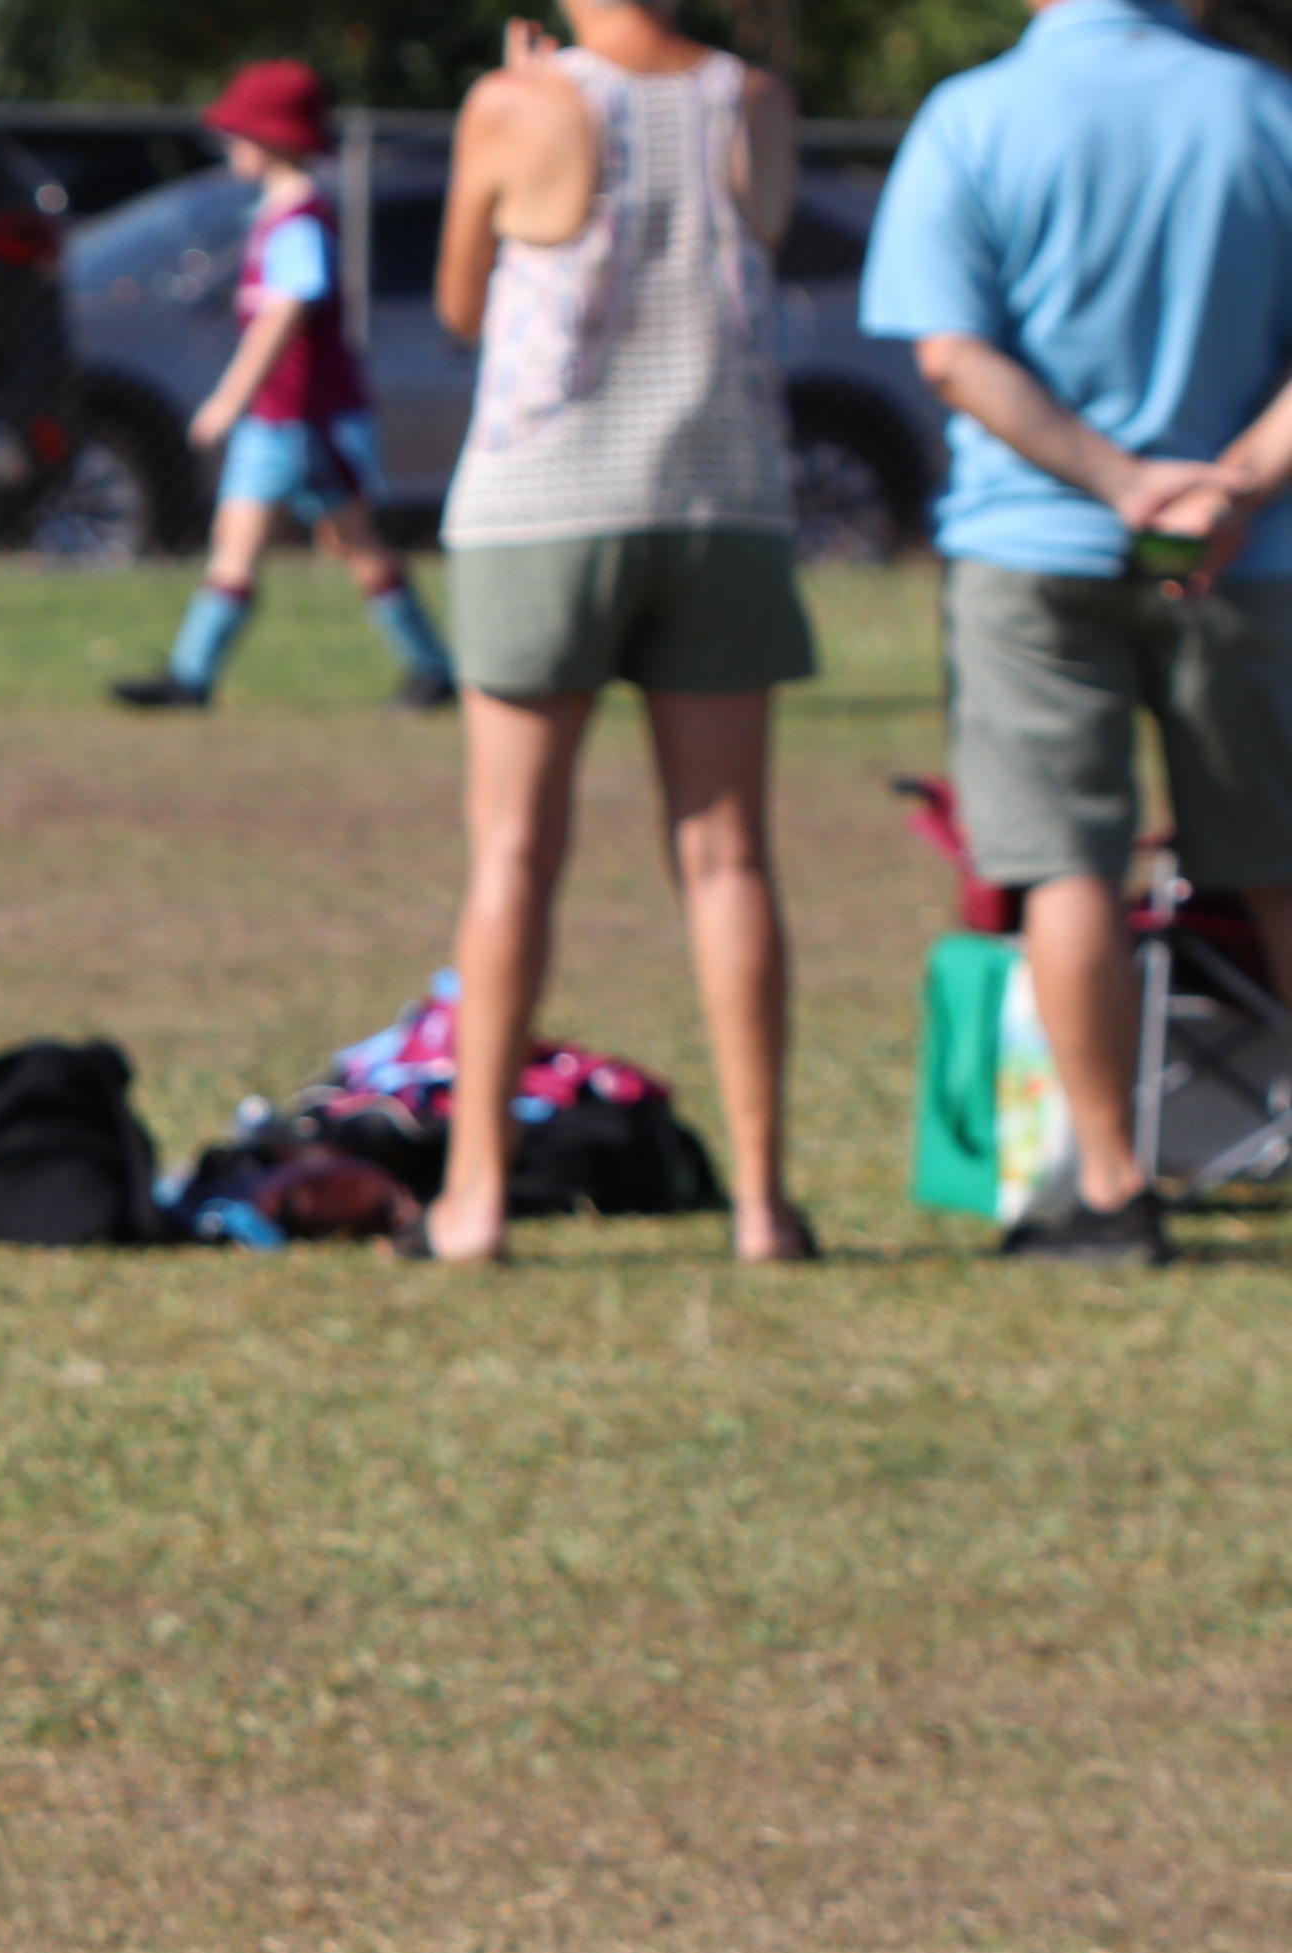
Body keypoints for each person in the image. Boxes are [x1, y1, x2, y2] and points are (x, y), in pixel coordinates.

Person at [862, 0, 1292, 1268]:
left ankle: (1109, 1186)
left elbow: (950, 357)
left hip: (1031, 549)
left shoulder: (972, 117)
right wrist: (1224, 490)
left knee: (1065, 866)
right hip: (1246, 557)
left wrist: (1116, 485)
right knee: (1276, 859)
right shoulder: (1266, 107)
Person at [423, 0, 817, 1268]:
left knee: (510, 857)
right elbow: (751, 241)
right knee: (726, 858)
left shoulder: (516, 106)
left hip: (542, 504)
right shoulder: (751, 102)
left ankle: (473, 1193)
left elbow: (458, 302)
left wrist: (520, 102)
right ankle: (760, 1201)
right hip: (720, 498)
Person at [113, 61, 460, 715]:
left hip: (306, 417)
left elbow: (286, 313)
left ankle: (433, 667)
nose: (231, 145)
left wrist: (228, 397)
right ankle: (191, 676)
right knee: (243, 543)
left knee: (350, 541)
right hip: (277, 418)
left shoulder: (301, 218)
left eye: (241, 132)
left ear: (275, 139)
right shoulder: (275, 214)